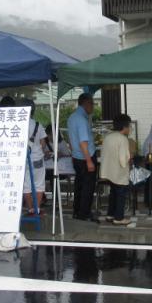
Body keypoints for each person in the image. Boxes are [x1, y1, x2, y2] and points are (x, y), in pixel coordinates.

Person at [68, 93, 97, 221]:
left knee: (79, 185)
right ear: (86, 103)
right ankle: (84, 213)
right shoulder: (81, 120)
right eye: (92, 104)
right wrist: (89, 161)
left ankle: (77, 211)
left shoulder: (72, 117)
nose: (93, 107)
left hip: (76, 157)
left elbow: (71, 140)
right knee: (87, 187)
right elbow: (83, 142)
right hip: (85, 157)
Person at [100, 114, 132, 225]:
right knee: (120, 194)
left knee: (113, 193)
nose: (130, 128)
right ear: (125, 126)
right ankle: (119, 218)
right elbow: (123, 160)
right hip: (119, 172)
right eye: (129, 126)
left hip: (108, 171)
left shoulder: (108, 137)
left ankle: (110, 215)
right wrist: (129, 158)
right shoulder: (123, 139)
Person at [21, 99, 47, 216]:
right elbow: (43, 144)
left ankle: (30, 208)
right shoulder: (37, 125)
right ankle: (37, 209)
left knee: (26, 185)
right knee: (39, 184)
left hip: (23, 159)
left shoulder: (18, 124)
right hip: (37, 159)